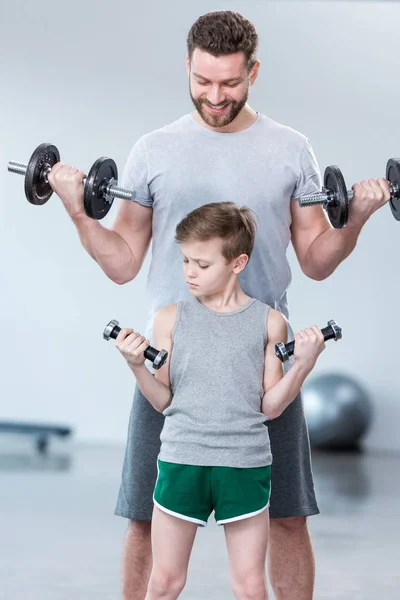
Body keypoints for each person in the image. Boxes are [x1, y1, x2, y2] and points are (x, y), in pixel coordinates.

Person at [47, 10, 390, 600]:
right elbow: (124, 260)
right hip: (171, 353)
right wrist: (78, 210)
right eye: (203, 81)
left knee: (286, 515)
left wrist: (355, 217)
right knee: (141, 517)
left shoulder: (289, 148)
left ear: (253, 72)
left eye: (229, 83)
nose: (214, 96)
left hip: (260, 356)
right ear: (187, 65)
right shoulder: (154, 149)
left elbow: (316, 259)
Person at [114, 201, 326, 600]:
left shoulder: (269, 322)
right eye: (185, 261)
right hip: (181, 460)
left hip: (243, 465)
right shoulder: (169, 318)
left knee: (248, 587)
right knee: (163, 583)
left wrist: (303, 364)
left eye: (202, 264)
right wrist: (136, 366)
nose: (190, 272)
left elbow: (271, 406)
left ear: (238, 262)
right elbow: (162, 401)